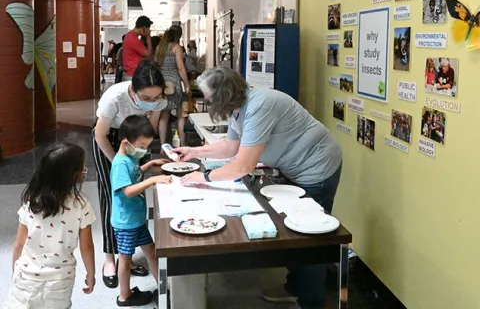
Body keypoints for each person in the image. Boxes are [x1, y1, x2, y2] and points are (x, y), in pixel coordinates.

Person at [174, 67, 343, 309]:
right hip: (294, 167)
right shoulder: (238, 107)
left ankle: (313, 301)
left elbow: (243, 165)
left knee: (308, 238)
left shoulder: (259, 105)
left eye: (209, 97)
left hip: (318, 167)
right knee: (293, 231)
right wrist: (194, 152)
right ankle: (295, 287)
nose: (208, 102)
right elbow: (231, 148)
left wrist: (205, 176)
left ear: (224, 94)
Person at [93, 60, 167, 288]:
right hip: (110, 140)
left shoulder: (158, 100)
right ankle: (109, 258)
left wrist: (143, 161)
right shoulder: (114, 97)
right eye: (146, 99)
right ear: (133, 90)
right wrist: (119, 164)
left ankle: (127, 253)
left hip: (137, 142)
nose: (151, 103)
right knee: (112, 198)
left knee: (134, 198)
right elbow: (100, 135)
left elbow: (149, 129)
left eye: (156, 98)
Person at [4, 143, 96, 309]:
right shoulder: (81, 206)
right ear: (74, 175)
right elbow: (87, 246)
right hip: (59, 281)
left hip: (25, 277)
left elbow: (19, 243)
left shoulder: (31, 203)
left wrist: (15, 270)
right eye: (83, 168)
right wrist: (91, 273)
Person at [111, 115, 171, 306]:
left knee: (152, 253)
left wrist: (149, 166)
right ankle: (124, 296)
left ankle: (163, 290)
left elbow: (135, 175)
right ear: (125, 142)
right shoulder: (120, 163)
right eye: (142, 146)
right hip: (126, 222)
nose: (143, 150)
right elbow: (128, 191)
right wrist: (152, 180)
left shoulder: (130, 158)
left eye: (146, 146)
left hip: (136, 219)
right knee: (125, 259)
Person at [155, 26, 190, 146]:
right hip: (174, 82)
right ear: (177, 36)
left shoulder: (160, 48)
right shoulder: (176, 47)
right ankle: (184, 144)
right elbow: (180, 67)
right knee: (181, 115)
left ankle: (162, 146)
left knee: (164, 116)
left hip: (163, 83)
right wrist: (187, 84)